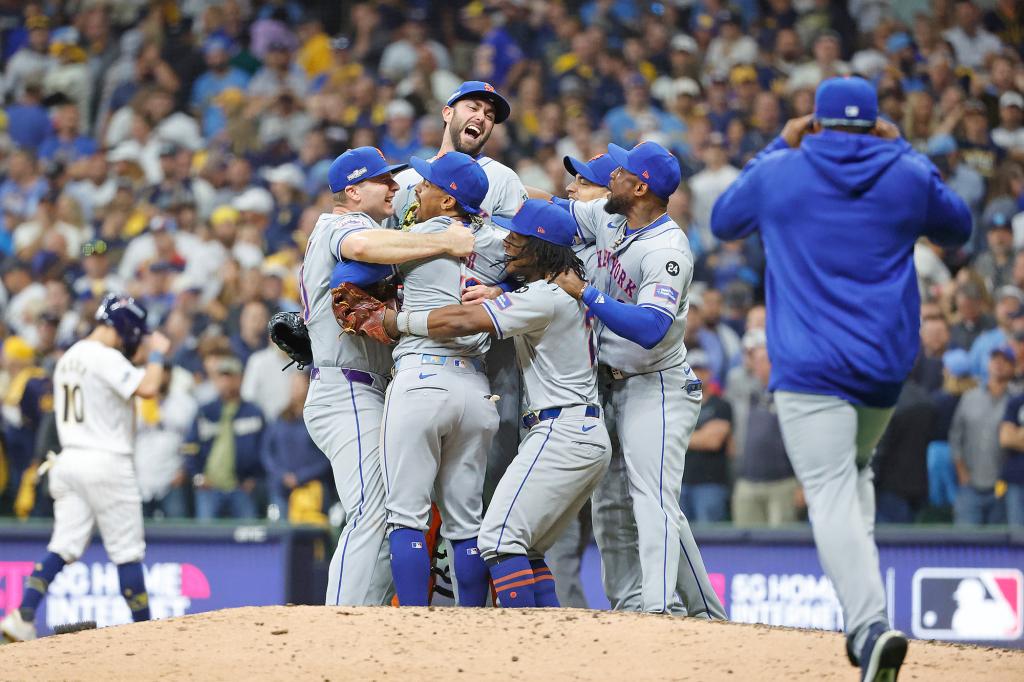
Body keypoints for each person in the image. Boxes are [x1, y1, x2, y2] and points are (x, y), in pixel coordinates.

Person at [711, 76, 971, 680]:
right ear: (878, 122)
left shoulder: (782, 170)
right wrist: (904, 149)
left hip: (810, 367)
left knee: (828, 489)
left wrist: (778, 145)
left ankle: (869, 626)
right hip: (883, 369)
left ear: (816, 122)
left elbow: (724, 220)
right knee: (854, 471)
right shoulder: (905, 172)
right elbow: (958, 228)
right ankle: (868, 616)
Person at [356, 199, 611, 607]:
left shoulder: (545, 296)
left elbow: (461, 321)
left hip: (561, 429)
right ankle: (549, 640)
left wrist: (395, 321)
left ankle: (507, 646)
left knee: (496, 538)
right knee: (521, 546)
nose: (507, 242)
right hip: (577, 428)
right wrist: (498, 288)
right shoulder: (561, 290)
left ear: (539, 246)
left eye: (517, 237)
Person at [553, 140, 724, 619]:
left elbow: (650, 328)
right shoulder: (611, 218)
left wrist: (585, 292)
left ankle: (659, 608)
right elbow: (553, 209)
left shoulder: (668, 250)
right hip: (611, 385)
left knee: (653, 498)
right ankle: (663, 610)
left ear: (640, 186)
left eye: (621, 170)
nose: (612, 174)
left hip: (658, 384)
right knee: (610, 507)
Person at [299, 146, 474, 606]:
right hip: (348, 389)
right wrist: (443, 241)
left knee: (387, 513)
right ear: (353, 192)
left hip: (365, 387)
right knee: (372, 509)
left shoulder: (383, 228)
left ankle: (366, 621)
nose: (395, 187)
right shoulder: (343, 224)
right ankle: (340, 627)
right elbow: (362, 248)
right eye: (384, 181)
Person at [387, 81, 528, 509]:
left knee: (481, 477)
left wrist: (501, 287)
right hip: (414, 340)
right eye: (473, 107)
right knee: (412, 484)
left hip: (483, 345)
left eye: (490, 114)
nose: (482, 117)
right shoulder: (408, 180)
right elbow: (382, 247)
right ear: (448, 113)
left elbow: (527, 256)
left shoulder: (502, 179)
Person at [0, 294, 170, 642]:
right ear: (123, 327)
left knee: (63, 544)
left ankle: (23, 614)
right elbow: (149, 387)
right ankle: (147, 633)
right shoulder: (104, 357)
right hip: (106, 461)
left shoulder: (70, 356)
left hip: (69, 460)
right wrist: (158, 353)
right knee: (127, 551)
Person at [950, 347, 1014, 525]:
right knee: (965, 545)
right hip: (970, 484)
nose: (999, 364)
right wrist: (961, 472)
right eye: (995, 359)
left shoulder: (1016, 401)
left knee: (1001, 548)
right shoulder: (970, 397)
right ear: (987, 364)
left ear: (1013, 367)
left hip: (1003, 486)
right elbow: (955, 437)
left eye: (1005, 360)